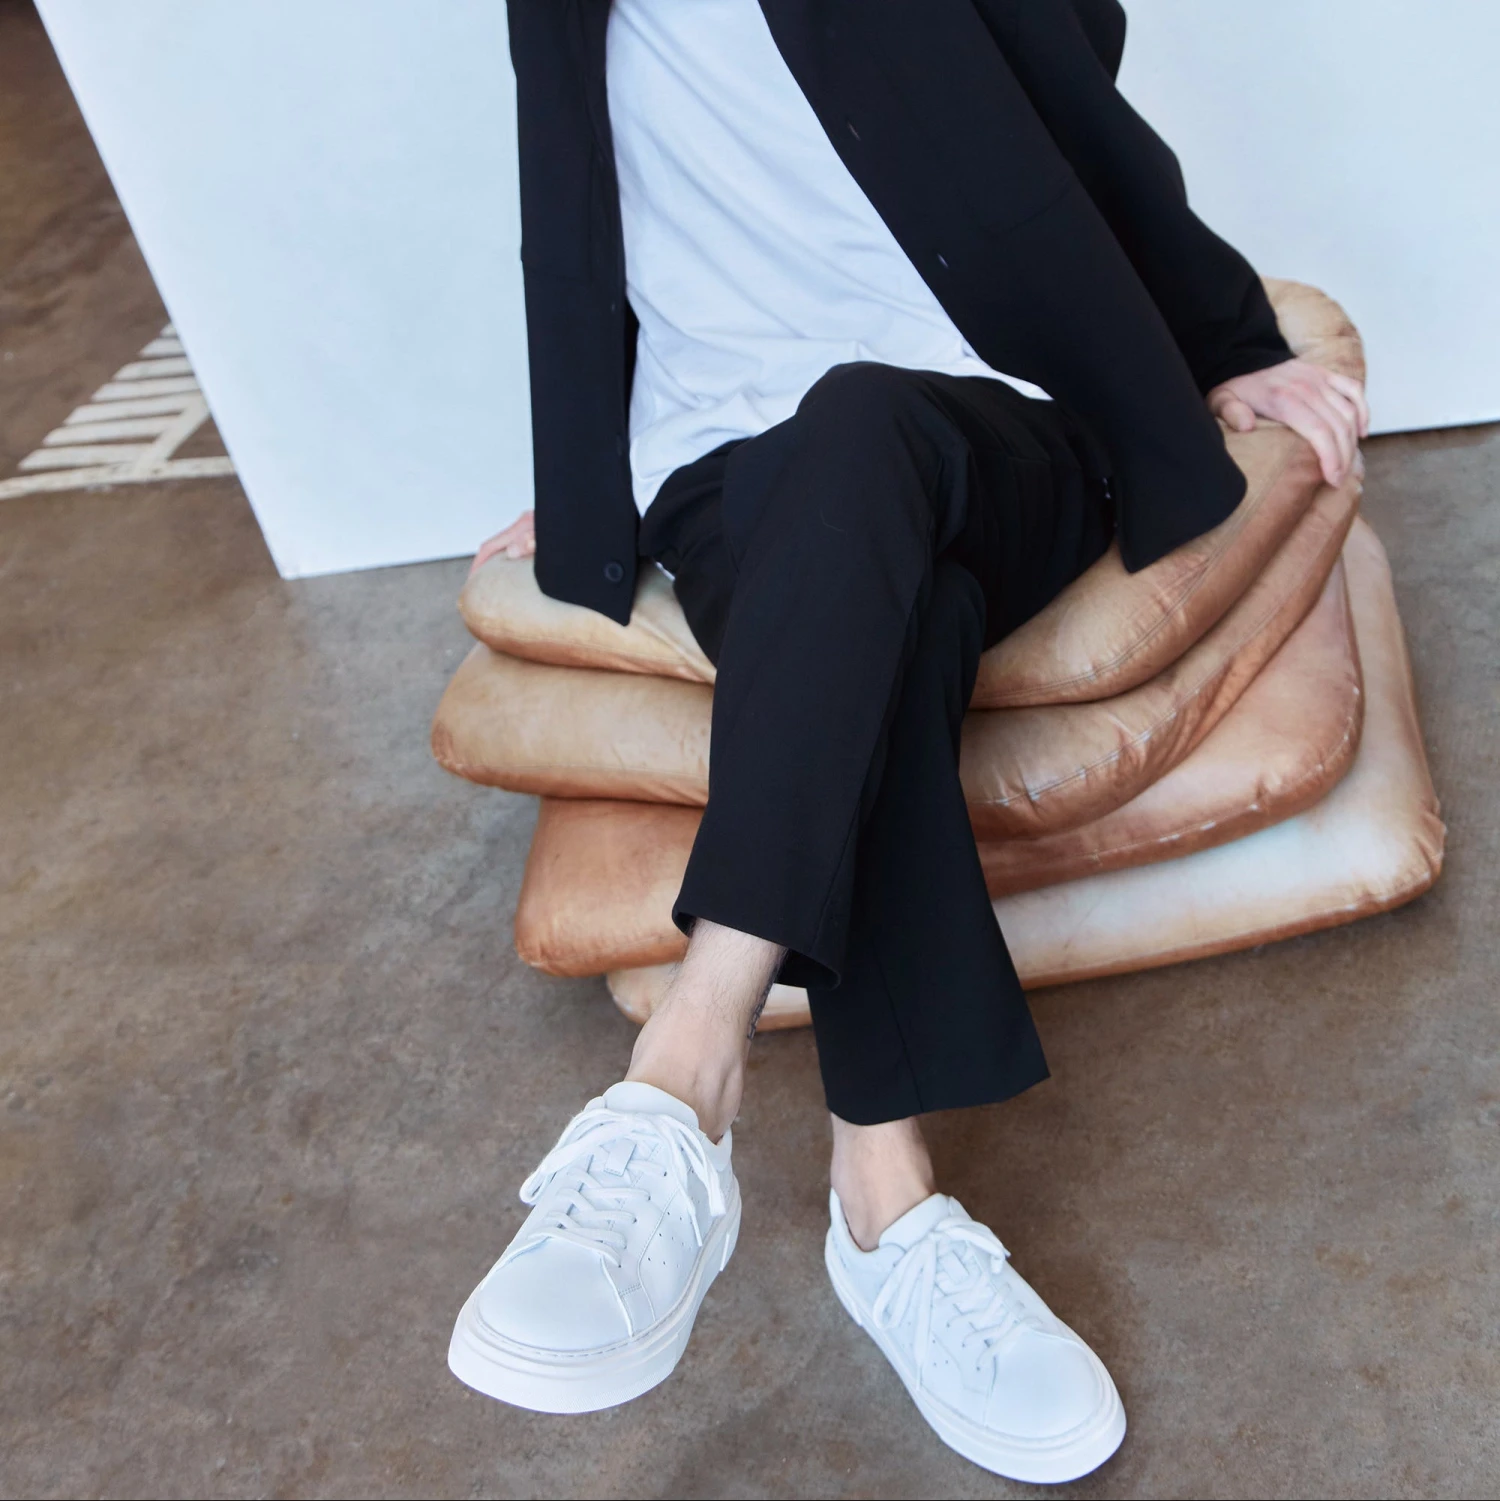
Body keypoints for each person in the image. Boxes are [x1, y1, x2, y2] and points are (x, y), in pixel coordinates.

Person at [448, 0, 1368, 1482]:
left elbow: (1078, 100)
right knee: (900, 622)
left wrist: (1224, 340)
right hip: (727, 466)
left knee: (862, 423)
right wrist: (585, 480)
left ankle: (683, 1070)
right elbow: (568, 216)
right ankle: (886, 1207)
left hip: (994, 425)